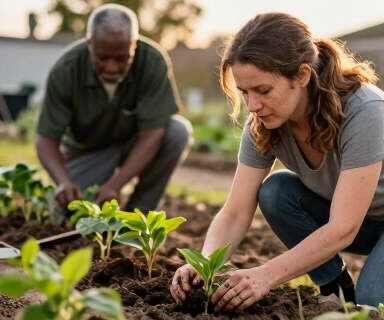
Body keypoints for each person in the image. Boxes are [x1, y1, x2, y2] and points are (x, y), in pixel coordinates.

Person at [171, 12, 384, 311]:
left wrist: (265, 275)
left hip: (354, 224)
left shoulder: (366, 111)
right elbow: (235, 211)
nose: (253, 106)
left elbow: (343, 229)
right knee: (276, 191)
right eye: (244, 92)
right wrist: (205, 262)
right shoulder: (265, 121)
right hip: (362, 225)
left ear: (302, 75)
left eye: (263, 90)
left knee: (373, 303)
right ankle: (335, 287)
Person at [36, 4, 192, 214]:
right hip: (87, 153)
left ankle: (140, 214)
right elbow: (45, 139)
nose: (111, 67)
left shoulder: (152, 61)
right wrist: (63, 182)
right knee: (68, 210)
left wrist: (114, 185)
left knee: (177, 132)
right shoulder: (66, 69)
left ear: (134, 45)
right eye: (102, 58)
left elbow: (153, 134)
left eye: (121, 59)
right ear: (90, 44)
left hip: (134, 145)